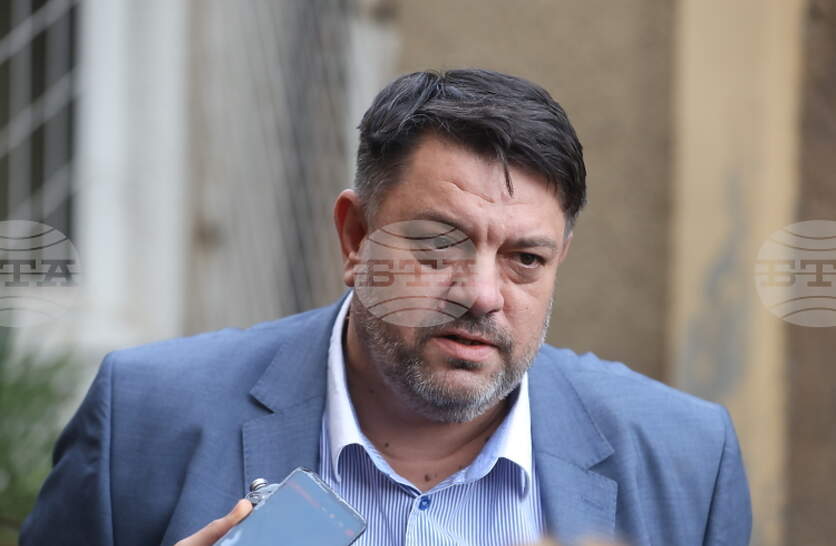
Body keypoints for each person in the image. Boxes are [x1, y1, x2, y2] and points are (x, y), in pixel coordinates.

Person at [21, 69, 752, 546]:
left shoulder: (684, 458)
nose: (482, 295)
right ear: (355, 236)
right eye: (437, 247)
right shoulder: (146, 419)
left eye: (525, 259)